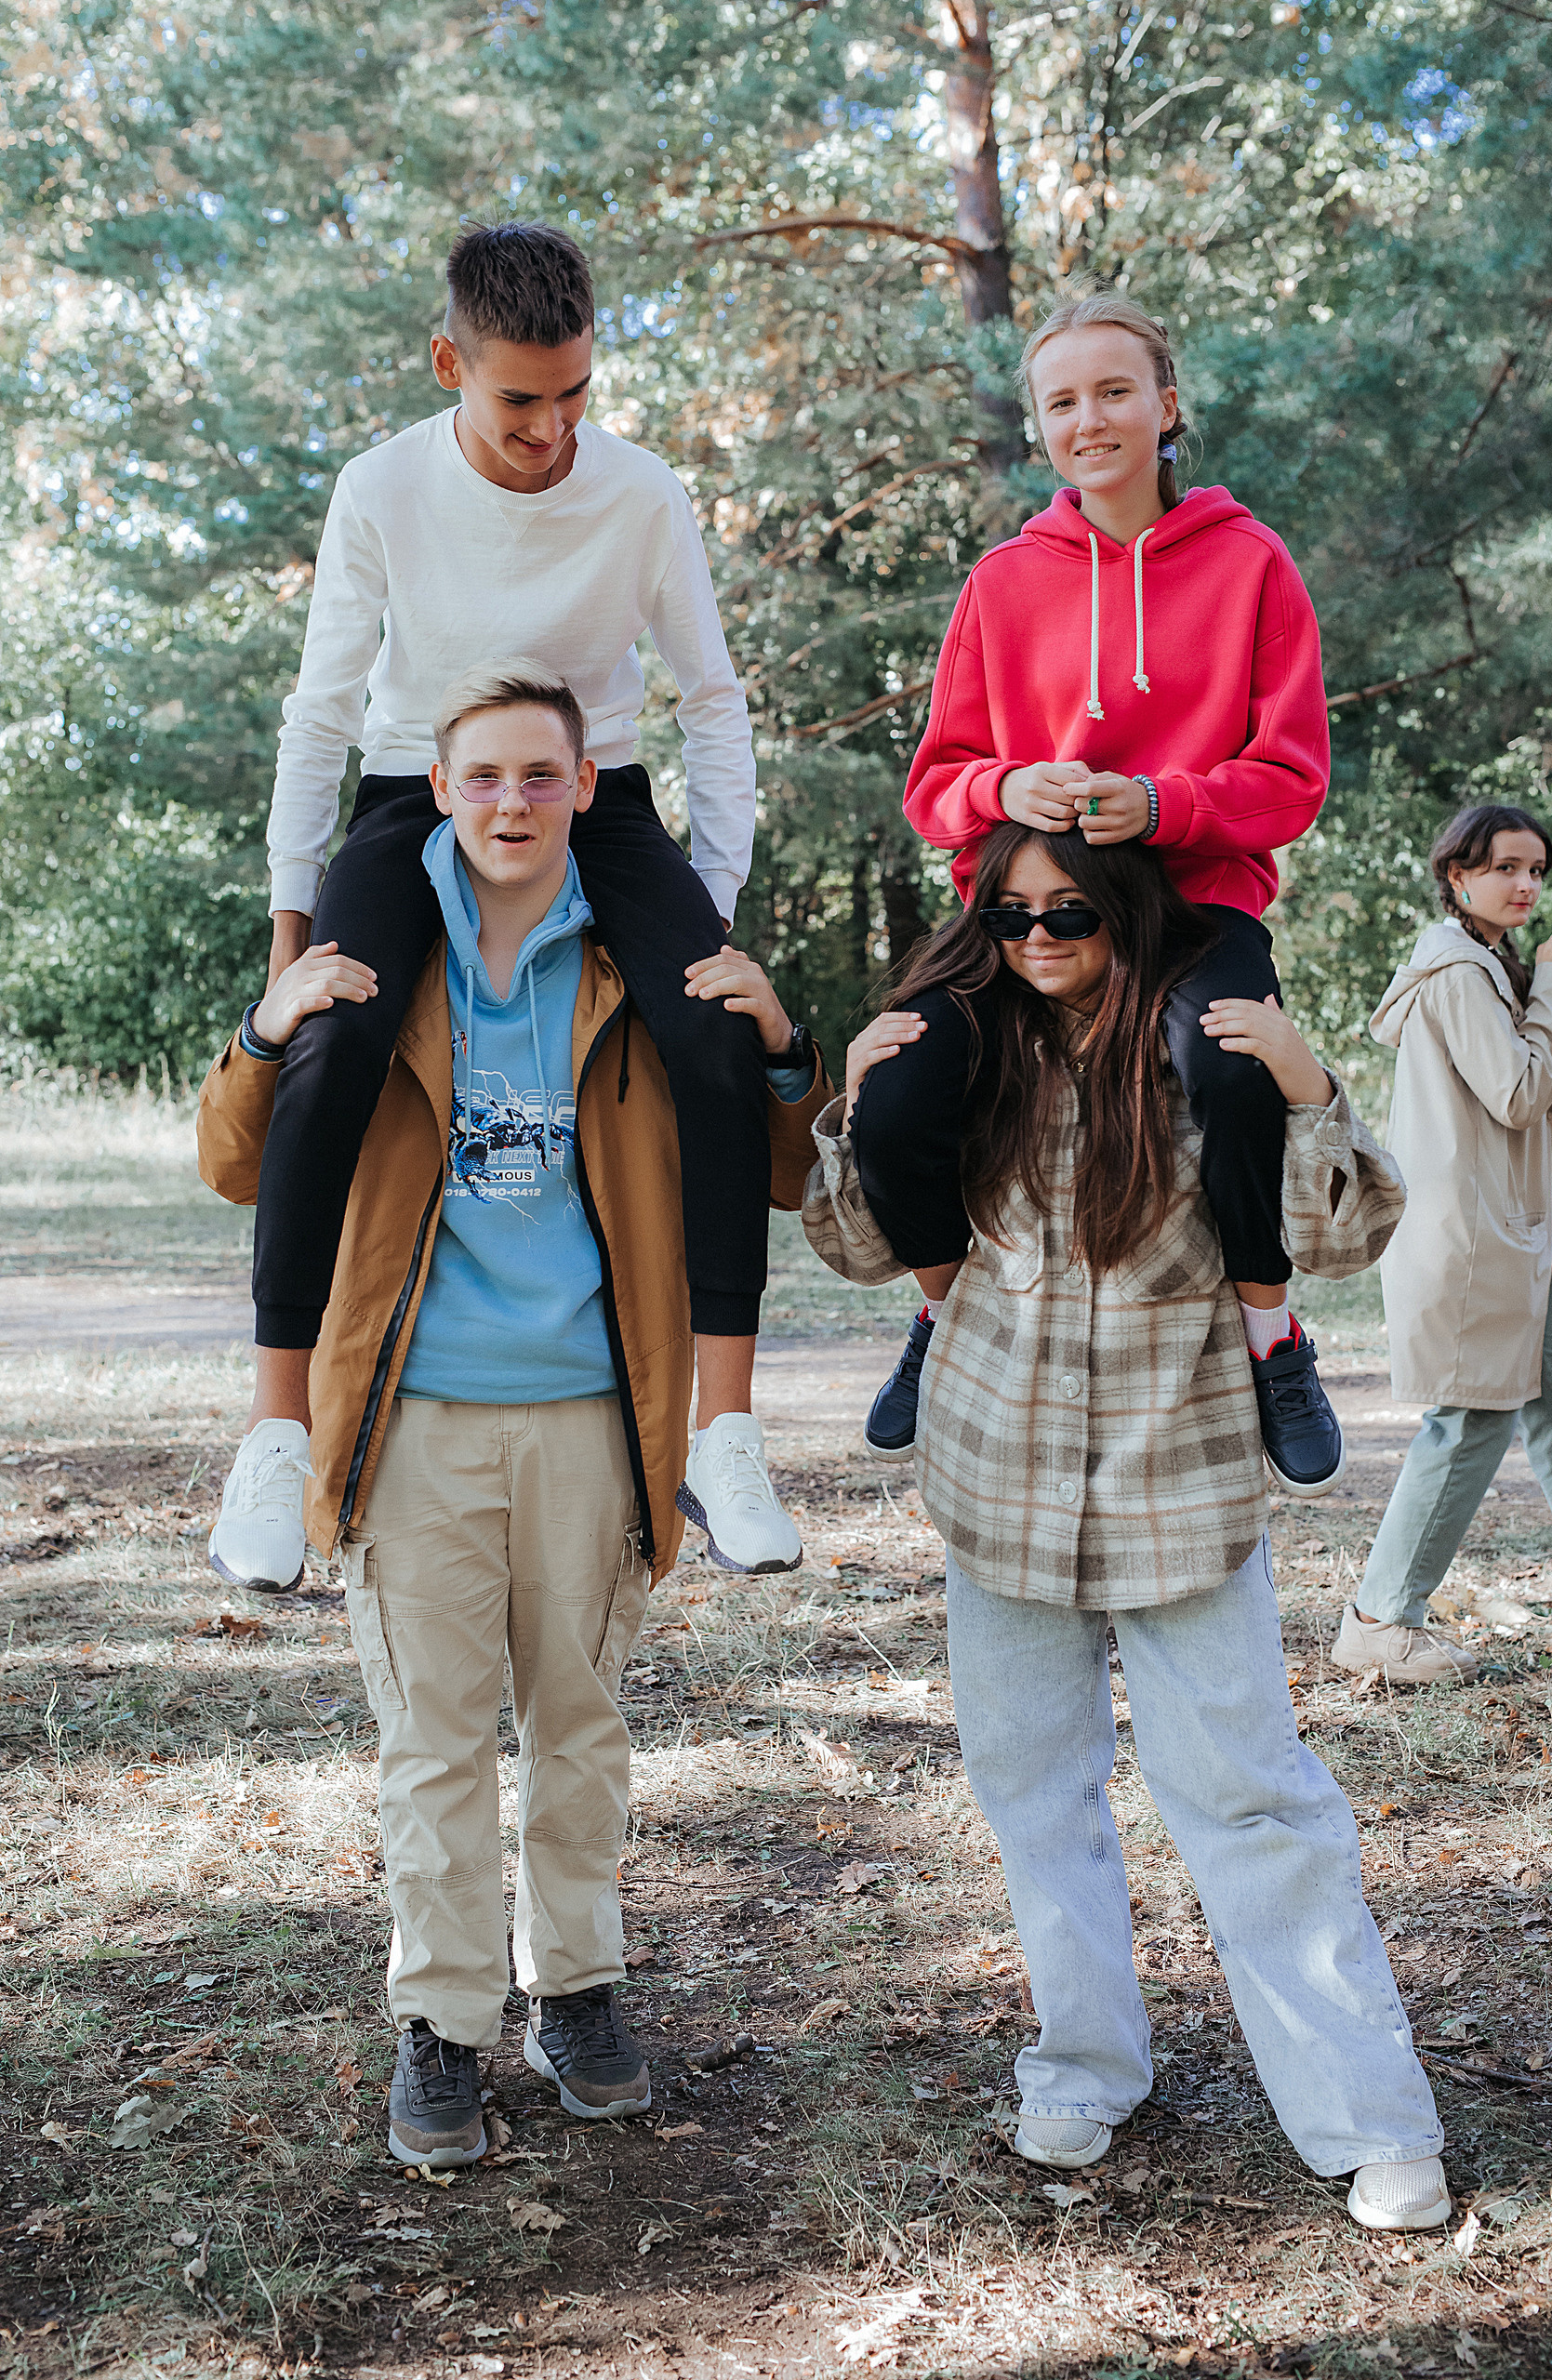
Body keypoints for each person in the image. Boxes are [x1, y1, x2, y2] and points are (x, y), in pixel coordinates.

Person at [197, 665, 829, 2167]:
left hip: (595, 1415)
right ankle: (443, 2020)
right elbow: (235, 1165)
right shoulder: (377, 960)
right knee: (429, 1741)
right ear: (438, 783)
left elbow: (785, 1175)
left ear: (585, 791)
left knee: (576, 1729)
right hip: (414, 1416)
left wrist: (783, 1046)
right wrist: (267, 1025)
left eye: (539, 778)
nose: (509, 804)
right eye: (481, 777)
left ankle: (584, 1990)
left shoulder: (634, 965)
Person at [803, 818, 1453, 2232]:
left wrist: (1310, 1086)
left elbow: (1336, 1240)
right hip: (995, 1477)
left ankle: (1365, 2115)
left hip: (1179, 1476)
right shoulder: (966, 1046)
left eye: (1072, 916)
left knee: (1247, 1796)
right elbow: (856, 1247)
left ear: (1125, 917)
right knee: (1034, 1791)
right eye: (1013, 915)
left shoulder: (1191, 1041)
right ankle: (1085, 2062)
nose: (1040, 941)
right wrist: (849, 1108)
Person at [207, 218, 803, 1598]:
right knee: (333, 1039)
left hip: (595, 782)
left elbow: (709, 697)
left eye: (575, 393)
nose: (551, 428)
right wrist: (291, 933)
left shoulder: (642, 493)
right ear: (448, 364)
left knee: (714, 1036)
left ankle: (724, 1431)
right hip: (423, 781)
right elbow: (319, 709)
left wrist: (705, 902)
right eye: (519, 398)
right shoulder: (380, 488)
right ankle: (275, 1435)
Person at [862, 285, 1342, 1500]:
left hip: (1191, 903)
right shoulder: (1000, 582)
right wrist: (1007, 788)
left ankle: (1268, 1335)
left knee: (1228, 1070)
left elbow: (1288, 781)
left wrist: (1166, 805)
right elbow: (935, 788)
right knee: (895, 1093)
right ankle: (934, 1314)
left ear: (1164, 406)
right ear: (1038, 426)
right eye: (1061, 399)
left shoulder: (1249, 565)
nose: (1090, 417)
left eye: (1113, 390)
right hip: (1023, 907)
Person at [1333, 803, 1552, 1686]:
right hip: (1478, 1238)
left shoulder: (1477, 963)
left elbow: (1503, 1107)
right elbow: (1512, 1089)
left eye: (1536, 870)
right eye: (1507, 868)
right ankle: (1379, 1619)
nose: (1525, 885)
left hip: (1515, 1227)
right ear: (1458, 875)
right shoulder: (1454, 968)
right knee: (1470, 1418)